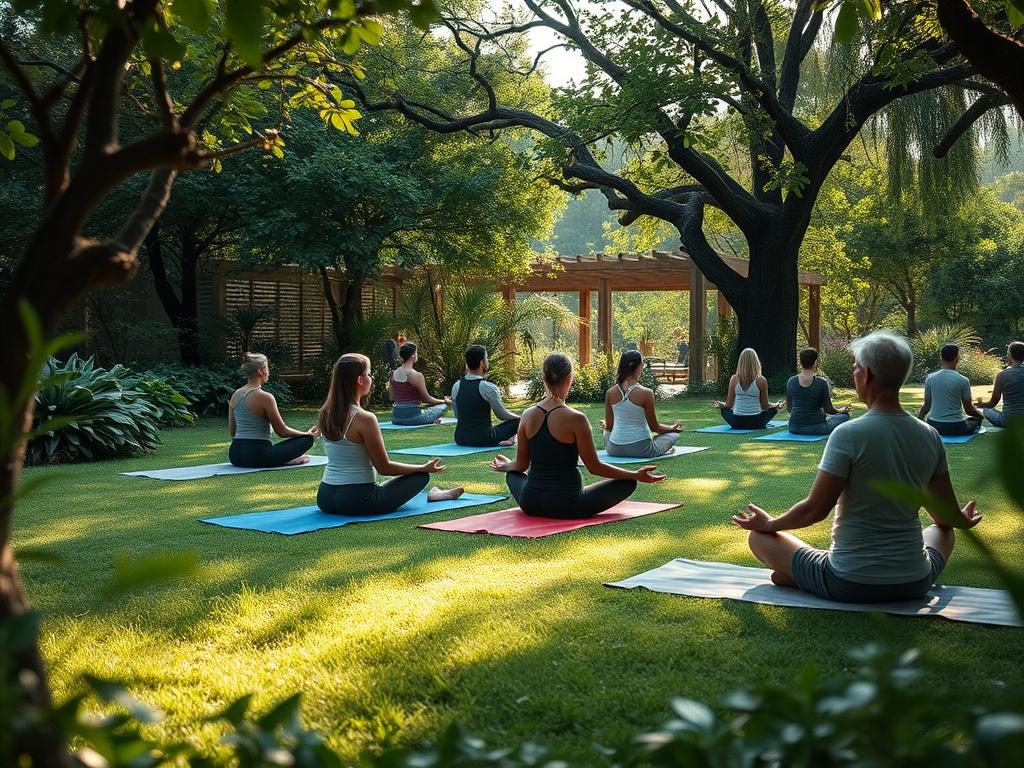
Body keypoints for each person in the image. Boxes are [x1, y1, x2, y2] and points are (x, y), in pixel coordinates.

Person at [733, 330, 980, 603]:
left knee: (759, 538)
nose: (854, 374)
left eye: (855, 368)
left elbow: (815, 510)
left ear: (866, 375)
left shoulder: (848, 434)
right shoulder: (929, 435)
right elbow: (945, 516)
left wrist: (770, 524)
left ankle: (804, 577)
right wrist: (962, 520)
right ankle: (802, 576)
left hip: (847, 581)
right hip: (914, 582)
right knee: (942, 531)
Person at [490, 353, 665, 518]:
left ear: (544, 378)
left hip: (531, 503)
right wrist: (635, 475)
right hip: (568, 505)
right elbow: (594, 467)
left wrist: (507, 465)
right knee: (627, 483)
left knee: (512, 474)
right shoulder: (576, 419)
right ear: (569, 378)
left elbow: (520, 466)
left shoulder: (527, 415)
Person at [316, 353, 463, 515]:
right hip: (358, 500)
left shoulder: (325, 413)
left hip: (325, 497)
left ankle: (434, 493)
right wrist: (423, 467)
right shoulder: (365, 418)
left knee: (391, 484)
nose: (371, 378)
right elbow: (384, 467)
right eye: (369, 374)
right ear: (360, 380)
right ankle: (433, 494)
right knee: (421, 476)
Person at [228, 353, 317, 468]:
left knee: (276, 448)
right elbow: (282, 431)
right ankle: (288, 460)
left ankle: (283, 459)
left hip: (235, 456)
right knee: (307, 440)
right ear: (260, 371)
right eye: (267, 368)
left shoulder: (236, 394)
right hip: (257, 456)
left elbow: (233, 431)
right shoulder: (265, 397)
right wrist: (307, 434)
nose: (269, 371)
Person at [601, 350, 683, 458]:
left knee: (606, 432)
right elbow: (654, 427)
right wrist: (672, 427)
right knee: (674, 435)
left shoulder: (610, 392)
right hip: (642, 450)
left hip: (614, 450)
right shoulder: (646, 393)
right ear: (639, 367)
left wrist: (605, 424)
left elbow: (609, 427)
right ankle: (662, 447)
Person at [451, 345, 521, 446]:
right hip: (484, 438)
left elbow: (457, 415)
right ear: (482, 363)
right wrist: (521, 417)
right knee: (518, 422)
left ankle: (507, 440)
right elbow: (501, 415)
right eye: (486, 358)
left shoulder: (456, 386)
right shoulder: (488, 387)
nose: (487, 361)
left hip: (460, 438)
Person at [918, 343, 984, 436]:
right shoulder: (963, 380)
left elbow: (926, 406)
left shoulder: (930, 378)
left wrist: (920, 419)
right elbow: (969, 410)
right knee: (975, 419)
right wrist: (980, 415)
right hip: (957, 426)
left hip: (934, 425)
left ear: (941, 358)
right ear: (957, 358)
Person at [712, 348, 782, 430]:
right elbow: (765, 406)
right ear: (756, 362)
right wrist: (776, 405)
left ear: (740, 362)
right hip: (757, 422)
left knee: (724, 410)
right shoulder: (761, 380)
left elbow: (729, 405)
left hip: (736, 422)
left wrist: (722, 405)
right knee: (773, 410)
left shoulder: (734, 379)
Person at [786, 347, 851, 435]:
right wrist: (841, 410)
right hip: (818, 427)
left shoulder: (791, 381)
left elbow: (789, 408)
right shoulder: (821, 382)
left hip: (794, 427)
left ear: (800, 362)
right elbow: (829, 410)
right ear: (815, 362)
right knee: (844, 415)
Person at [390, 342, 451, 426]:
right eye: (416, 353)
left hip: (395, 417)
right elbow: (426, 399)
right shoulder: (417, 375)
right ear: (413, 355)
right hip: (412, 418)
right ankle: (431, 419)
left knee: (428, 411)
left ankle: (431, 419)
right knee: (444, 406)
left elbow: (391, 397)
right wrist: (444, 401)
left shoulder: (393, 373)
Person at [975, 340, 1024, 428]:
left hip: (1007, 421)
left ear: (1010, 355)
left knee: (986, 410)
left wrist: (981, 404)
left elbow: (993, 403)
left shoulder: (1002, 375)